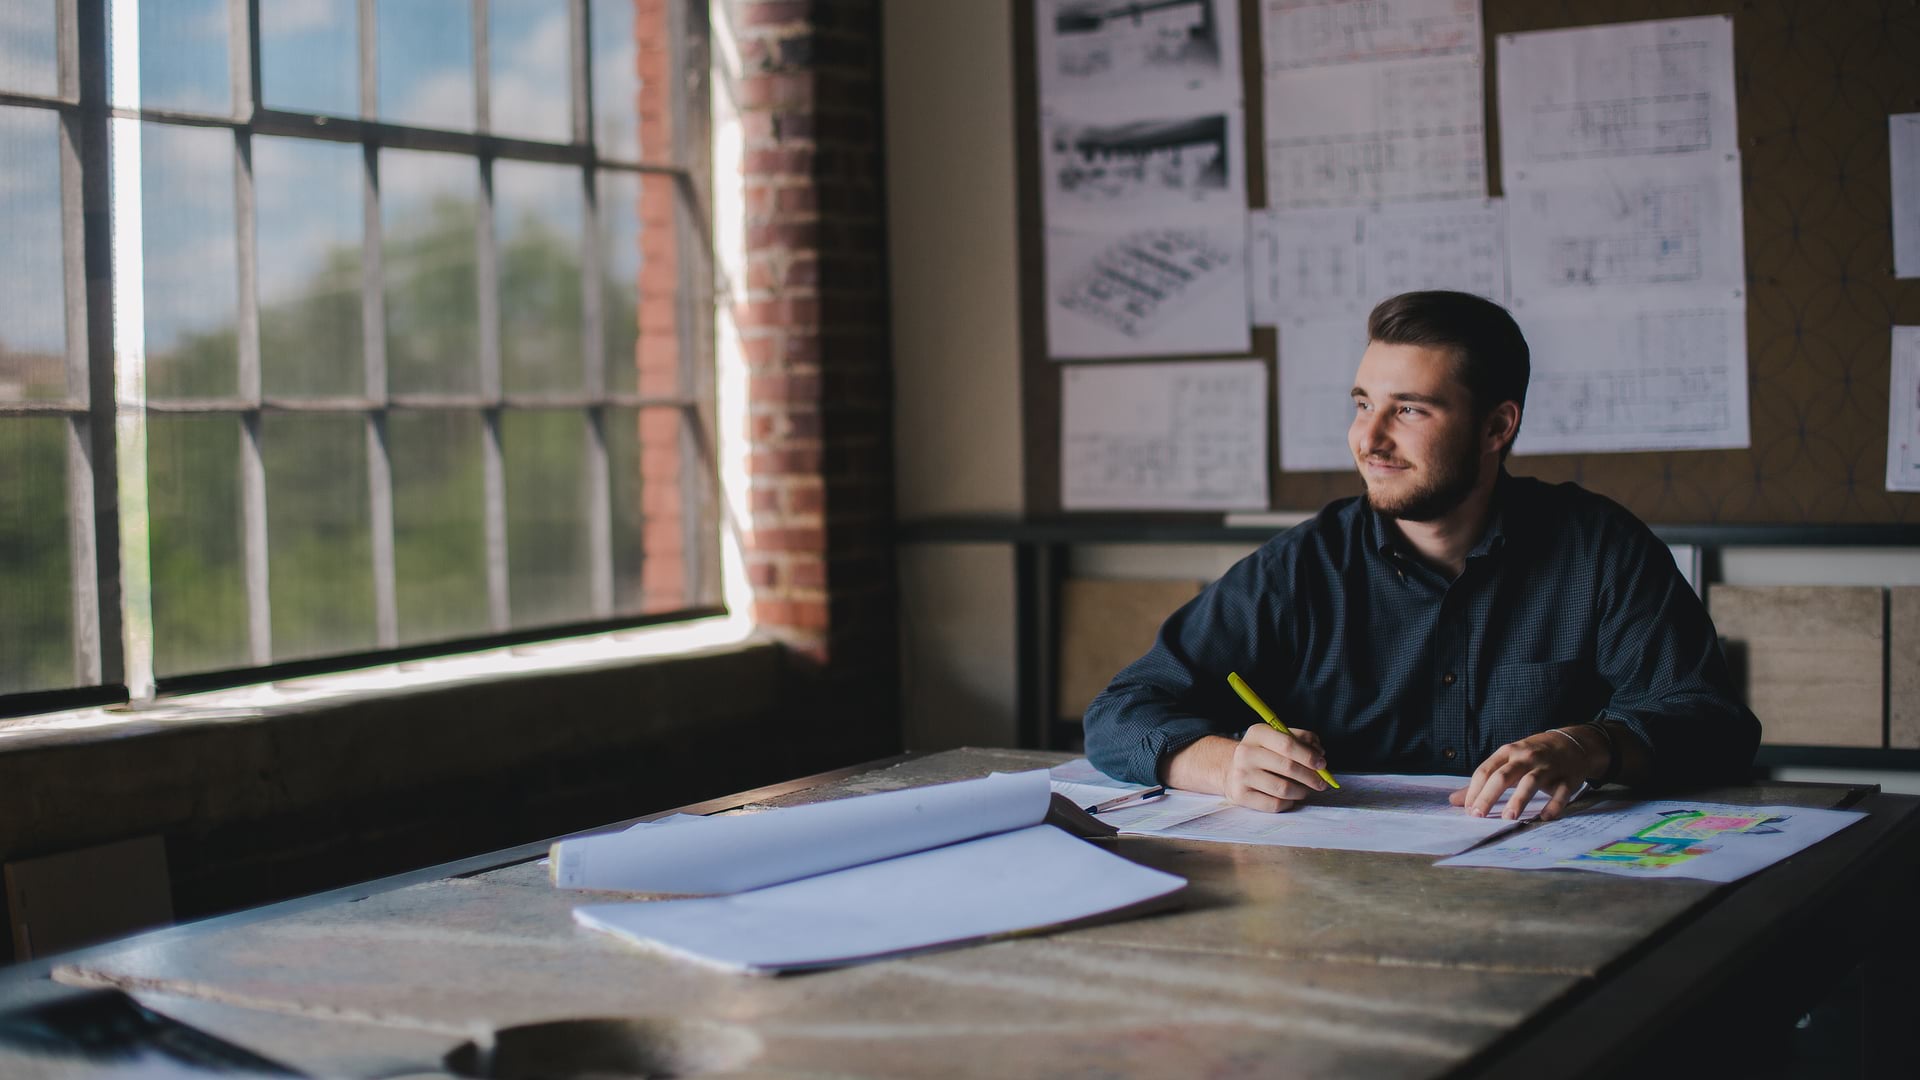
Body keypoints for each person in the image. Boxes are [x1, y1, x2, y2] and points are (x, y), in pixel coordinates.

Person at [1082, 290, 1760, 823]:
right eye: (1362, 404)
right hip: (1338, 896)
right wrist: (1222, 764)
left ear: (1497, 427)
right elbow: (1120, 713)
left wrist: (1594, 744)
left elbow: (1715, 725)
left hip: (1553, 892)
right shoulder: (1302, 567)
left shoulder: (1599, 550)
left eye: (1407, 411)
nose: (1368, 439)